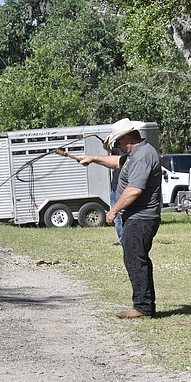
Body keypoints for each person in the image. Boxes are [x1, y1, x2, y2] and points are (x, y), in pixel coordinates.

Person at [80, 118, 162, 319]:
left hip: (141, 218)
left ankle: (143, 307)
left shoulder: (143, 156)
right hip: (136, 217)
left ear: (127, 138)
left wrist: (113, 211)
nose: (116, 147)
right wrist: (93, 158)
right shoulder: (135, 154)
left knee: (136, 260)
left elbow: (134, 190)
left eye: (117, 143)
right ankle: (144, 304)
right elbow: (117, 162)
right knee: (136, 259)